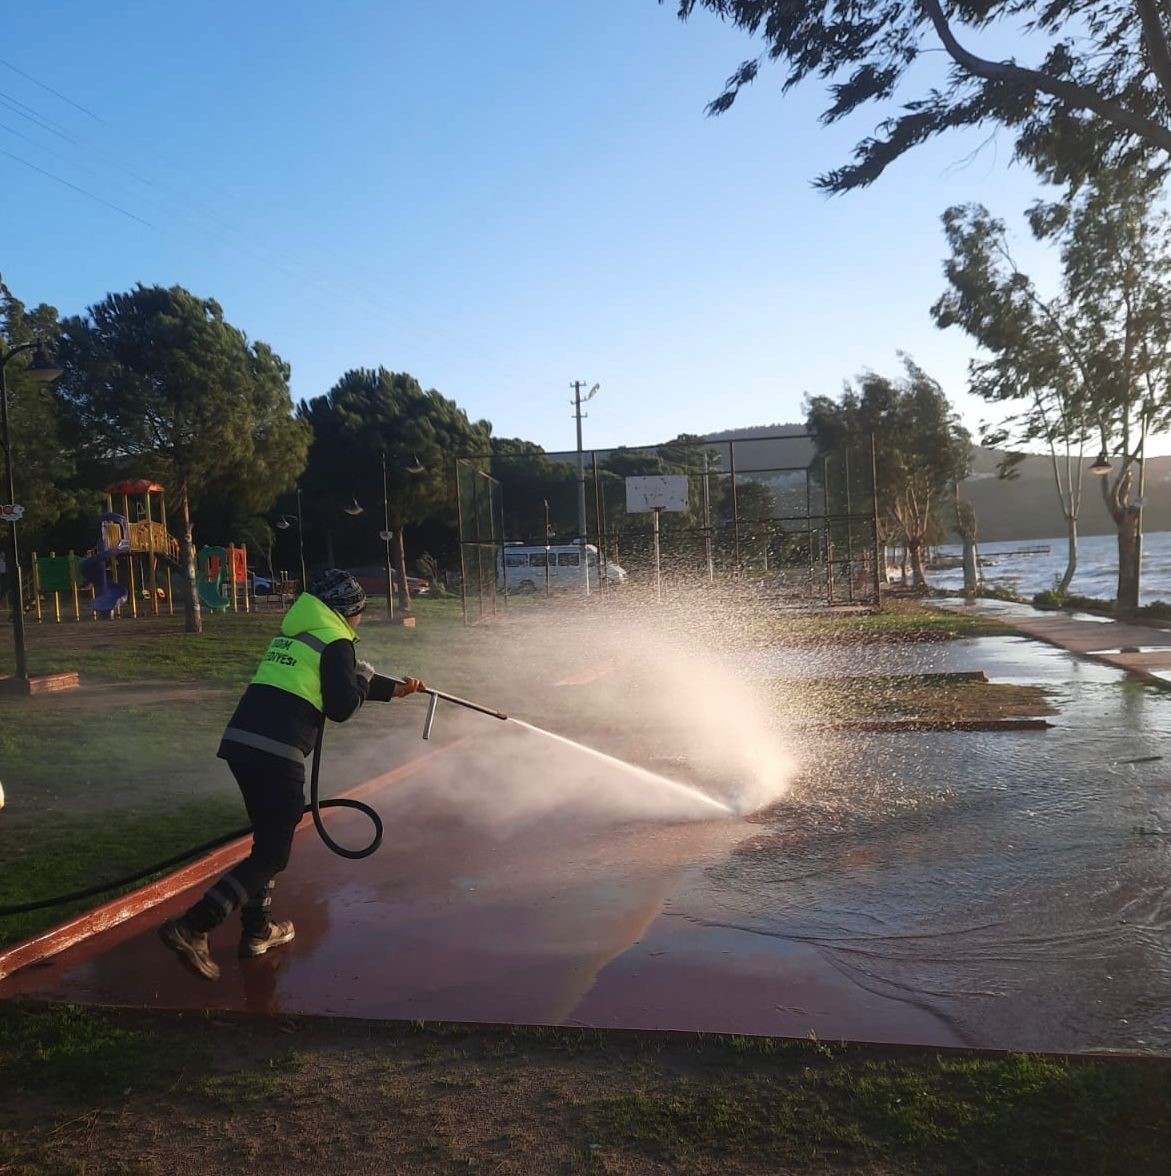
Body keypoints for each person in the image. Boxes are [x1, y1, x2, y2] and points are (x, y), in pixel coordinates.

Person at [159, 568, 425, 981]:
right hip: (277, 751)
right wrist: (363, 677)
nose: (360, 620)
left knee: (266, 844)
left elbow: (324, 686)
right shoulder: (336, 641)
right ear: (348, 610)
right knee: (273, 855)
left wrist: (391, 690)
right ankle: (194, 926)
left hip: (243, 744)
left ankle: (258, 932)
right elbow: (340, 706)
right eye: (360, 612)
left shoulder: (301, 633)